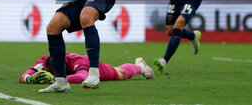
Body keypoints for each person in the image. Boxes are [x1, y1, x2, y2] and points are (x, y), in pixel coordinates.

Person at [19, 52, 153, 85]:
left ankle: (141, 67)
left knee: (120, 73)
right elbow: (23, 76)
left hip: (90, 65)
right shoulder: (44, 61)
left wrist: (54, 79)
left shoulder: (77, 61)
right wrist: (30, 79)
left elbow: (83, 77)